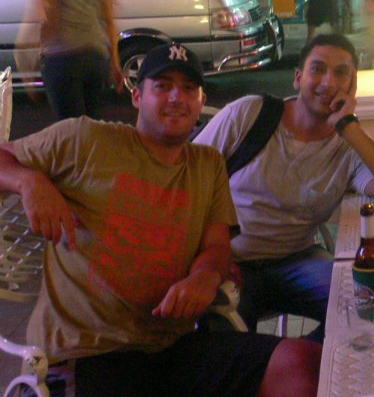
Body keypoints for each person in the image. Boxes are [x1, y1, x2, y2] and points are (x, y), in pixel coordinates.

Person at [0, 42, 321, 397]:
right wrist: (28, 182)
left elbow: (217, 246)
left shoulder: (207, 165)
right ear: (137, 96)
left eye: (188, 88)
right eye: (163, 86)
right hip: (86, 353)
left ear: (200, 101)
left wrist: (205, 275)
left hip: (172, 346)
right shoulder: (85, 139)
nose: (176, 97)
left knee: (301, 363)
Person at [192, 33, 374, 339]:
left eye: (341, 73)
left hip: (297, 260)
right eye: (318, 69)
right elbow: (187, 181)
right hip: (231, 261)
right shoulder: (249, 115)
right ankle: (279, 360)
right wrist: (208, 259)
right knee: (222, 338)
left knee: (369, 304)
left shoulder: (348, 147)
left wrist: (349, 126)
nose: (328, 82)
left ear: (352, 84)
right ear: (298, 78)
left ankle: (308, 357)